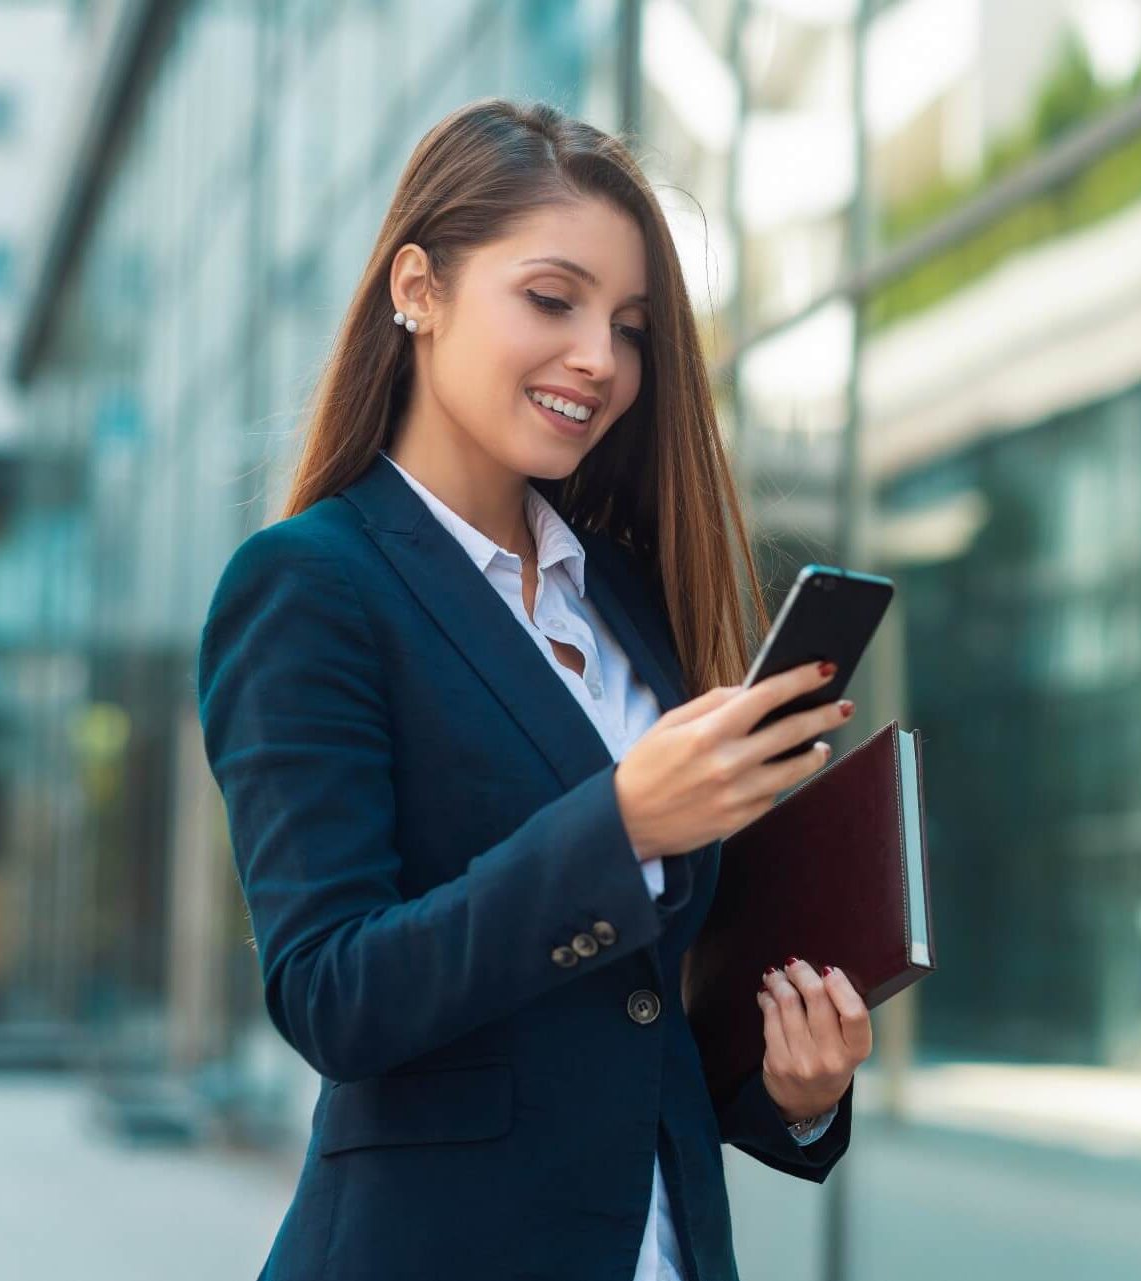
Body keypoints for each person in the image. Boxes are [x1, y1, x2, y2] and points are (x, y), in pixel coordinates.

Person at [196, 96, 872, 1281]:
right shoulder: (311, 587)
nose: (600, 360)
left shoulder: (621, 598)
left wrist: (792, 1089)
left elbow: (642, 1019)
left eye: (630, 325)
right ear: (419, 287)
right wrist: (621, 826)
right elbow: (331, 993)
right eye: (551, 300)